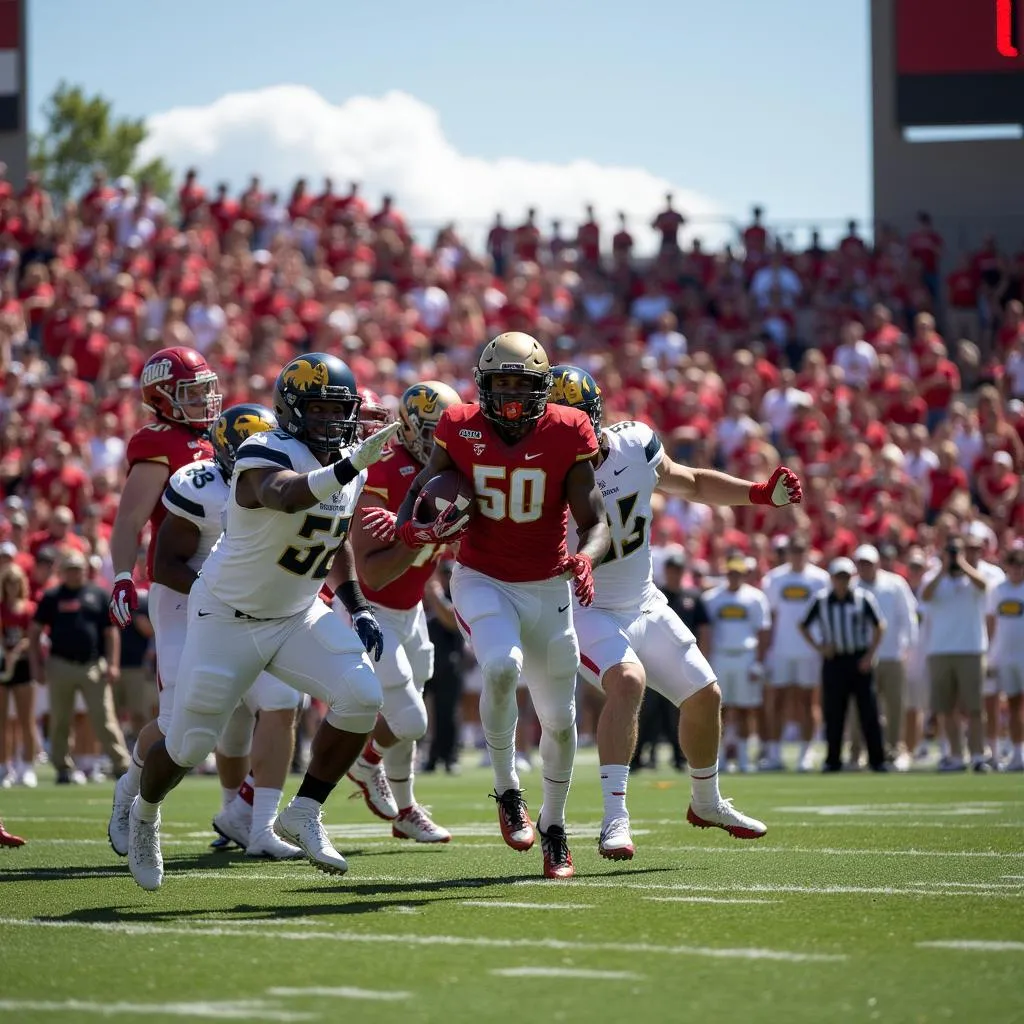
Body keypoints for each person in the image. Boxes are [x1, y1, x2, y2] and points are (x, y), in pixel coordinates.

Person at [125, 353, 400, 890]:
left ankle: (305, 811)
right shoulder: (263, 450)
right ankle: (144, 812)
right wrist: (345, 466)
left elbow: (334, 535)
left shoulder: (350, 459)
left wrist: (356, 603)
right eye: (316, 409)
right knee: (188, 744)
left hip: (296, 613)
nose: (330, 421)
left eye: (337, 409)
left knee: (363, 695)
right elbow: (286, 494)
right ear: (292, 411)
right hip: (226, 615)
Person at [549, 365, 799, 858]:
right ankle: (614, 819)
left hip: (644, 600)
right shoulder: (542, 469)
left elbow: (691, 483)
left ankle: (706, 802)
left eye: (576, 418)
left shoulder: (634, 444)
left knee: (706, 695)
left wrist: (757, 494)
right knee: (627, 681)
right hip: (585, 606)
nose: (570, 429)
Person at [392, 334, 611, 879]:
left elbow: (596, 520)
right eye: (501, 383)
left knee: (560, 722)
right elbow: (425, 483)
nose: (511, 395)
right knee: (500, 666)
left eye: (522, 383)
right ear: (482, 386)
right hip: (483, 577)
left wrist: (585, 558)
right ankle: (507, 788)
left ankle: (555, 828)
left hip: (547, 587)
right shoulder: (459, 424)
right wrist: (408, 523)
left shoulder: (568, 428)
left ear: (543, 387)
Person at [151, 403, 307, 859]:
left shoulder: (288, 475)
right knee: (181, 723)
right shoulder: (199, 487)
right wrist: (219, 594)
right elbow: (165, 565)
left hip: (260, 605)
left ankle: (256, 825)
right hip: (190, 601)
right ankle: (136, 801)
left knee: (279, 700)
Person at [107, 347, 222, 847]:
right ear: (162, 399)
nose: (205, 400)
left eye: (205, 389)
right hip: (178, 584)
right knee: (178, 720)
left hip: (230, 583)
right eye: (192, 393)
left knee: (269, 699)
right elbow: (130, 518)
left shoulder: (219, 437)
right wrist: (120, 574)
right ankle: (131, 789)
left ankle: (248, 813)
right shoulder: (158, 442)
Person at [345, 380, 463, 843]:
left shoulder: (453, 470)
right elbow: (372, 571)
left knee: (410, 707)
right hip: (369, 607)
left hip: (411, 608)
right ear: (411, 427)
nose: (444, 441)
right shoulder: (384, 470)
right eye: (434, 431)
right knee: (411, 718)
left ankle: (406, 810)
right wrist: (425, 535)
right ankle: (364, 760)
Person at [29, 552, 131, 784]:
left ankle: (121, 765)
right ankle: (63, 767)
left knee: (104, 717)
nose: (75, 572)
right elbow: (35, 632)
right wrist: (37, 665)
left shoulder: (98, 594)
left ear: (85, 570)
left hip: (93, 665)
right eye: (71, 568)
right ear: (63, 571)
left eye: (78, 568)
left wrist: (113, 663)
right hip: (60, 664)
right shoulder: (52, 596)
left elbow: (111, 632)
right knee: (60, 719)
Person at [799, 558, 887, 773]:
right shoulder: (821, 600)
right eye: (839, 577)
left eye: (846, 577)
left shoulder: (862, 598)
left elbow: (879, 626)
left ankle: (877, 760)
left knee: (869, 711)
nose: (842, 581)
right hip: (834, 661)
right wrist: (820, 648)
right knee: (834, 712)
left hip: (858, 660)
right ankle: (833, 760)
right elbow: (803, 625)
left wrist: (869, 655)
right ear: (832, 578)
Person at [921, 536, 993, 772]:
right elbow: (926, 596)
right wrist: (944, 568)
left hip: (971, 650)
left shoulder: (975, 577)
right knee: (946, 708)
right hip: (940, 651)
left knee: (974, 708)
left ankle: (978, 755)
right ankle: (955, 755)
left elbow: (984, 587)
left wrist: (962, 564)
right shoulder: (934, 577)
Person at [761, 534, 830, 771]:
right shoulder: (774, 579)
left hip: (809, 651)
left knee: (807, 701)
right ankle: (774, 754)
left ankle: (806, 753)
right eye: (793, 550)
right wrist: (767, 651)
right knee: (777, 700)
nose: (797, 555)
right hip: (780, 650)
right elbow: (770, 617)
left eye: (801, 550)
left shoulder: (821, 579)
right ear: (787, 553)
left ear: (808, 552)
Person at [851, 544, 919, 769]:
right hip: (861, 657)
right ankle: (858, 752)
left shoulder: (895, 583)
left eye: (868, 563)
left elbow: (908, 616)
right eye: (861, 563)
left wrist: (907, 648)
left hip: (891, 654)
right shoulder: (852, 586)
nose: (864, 568)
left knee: (895, 706)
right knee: (859, 708)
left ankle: (894, 750)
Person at [703, 554, 772, 774]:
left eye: (738, 574)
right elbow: (707, 632)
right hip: (721, 656)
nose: (734, 577)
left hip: (746, 656)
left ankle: (743, 758)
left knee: (744, 709)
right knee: (719, 709)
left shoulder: (756, 598)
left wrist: (759, 662)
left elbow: (763, 632)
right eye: (731, 573)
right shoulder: (712, 598)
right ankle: (720, 758)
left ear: (744, 575)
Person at [986, 544, 1024, 771]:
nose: (1018, 570)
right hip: (1007, 657)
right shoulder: (997, 590)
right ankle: (1018, 753)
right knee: (1012, 704)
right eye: (1014, 565)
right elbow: (991, 622)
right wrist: (992, 652)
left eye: (1021, 566)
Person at [0, 565, 38, 788]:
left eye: (16, 582)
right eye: (8, 582)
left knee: (27, 720)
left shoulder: (29, 608)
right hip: (3, 665)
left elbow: (31, 637)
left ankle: (27, 767)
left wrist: (16, 651)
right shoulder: (1, 608)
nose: (12, 587)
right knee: (2, 721)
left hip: (23, 666)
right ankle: (4, 766)